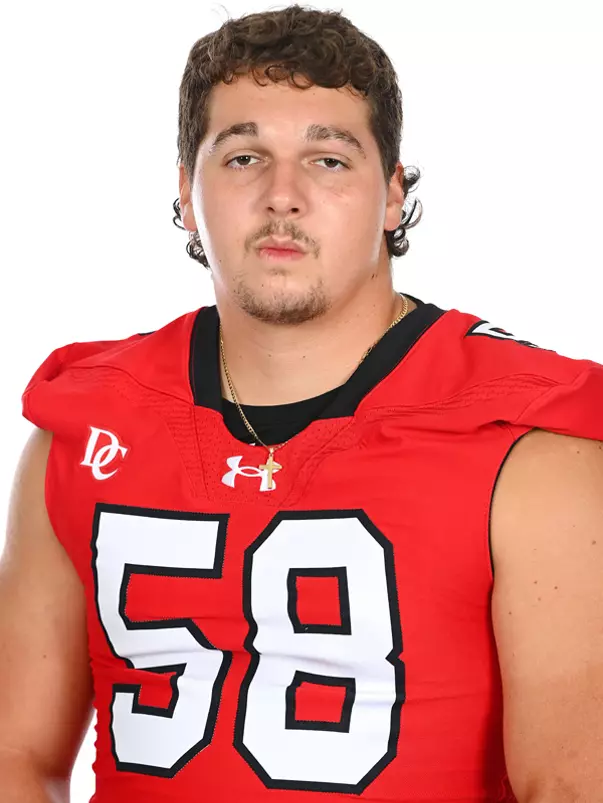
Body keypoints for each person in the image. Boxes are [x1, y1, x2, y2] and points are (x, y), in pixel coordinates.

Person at [1, 5, 602, 802]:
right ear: (186, 192)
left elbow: (568, 785)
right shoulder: (85, 425)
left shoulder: (526, 445)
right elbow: (17, 755)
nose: (281, 196)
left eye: (328, 160)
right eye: (244, 156)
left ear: (392, 197)